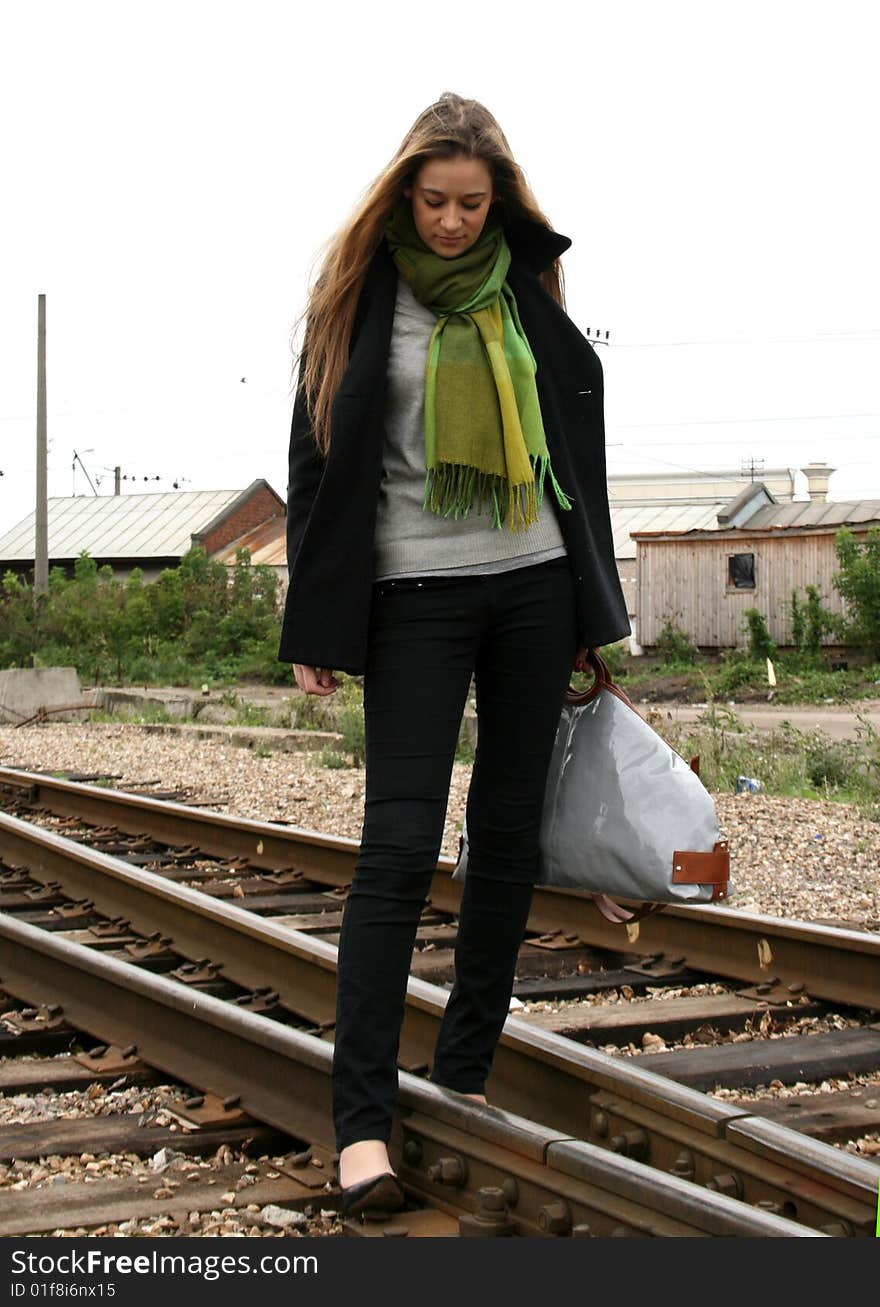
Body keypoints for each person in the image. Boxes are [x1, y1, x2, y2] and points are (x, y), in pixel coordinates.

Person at [279, 91, 629, 1218]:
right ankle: (362, 1128)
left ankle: (465, 1071)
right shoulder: (356, 296)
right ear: (402, 193)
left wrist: (588, 603)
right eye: (432, 201)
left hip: (531, 587)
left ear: (499, 199)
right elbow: (316, 456)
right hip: (411, 596)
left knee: (507, 838)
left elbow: (575, 442)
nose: (450, 223)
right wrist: (314, 623)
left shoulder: (524, 290)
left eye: (471, 204)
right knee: (395, 850)